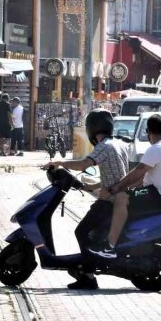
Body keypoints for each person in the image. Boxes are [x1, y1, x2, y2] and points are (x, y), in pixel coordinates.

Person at [46, 109, 129, 290]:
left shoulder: (104, 146)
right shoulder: (120, 144)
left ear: (92, 128)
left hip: (110, 202)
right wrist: (91, 187)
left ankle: (88, 274)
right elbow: (119, 175)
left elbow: (84, 164)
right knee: (90, 232)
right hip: (119, 198)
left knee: (81, 231)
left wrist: (60, 163)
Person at [93, 114, 161, 259]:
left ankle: (110, 247)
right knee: (125, 195)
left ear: (148, 132)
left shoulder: (157, 149)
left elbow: (138, 171)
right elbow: (143, 178)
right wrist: (126, 188)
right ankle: (123, 239)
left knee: (120, 199)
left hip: (159, 197)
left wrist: (115, 189)